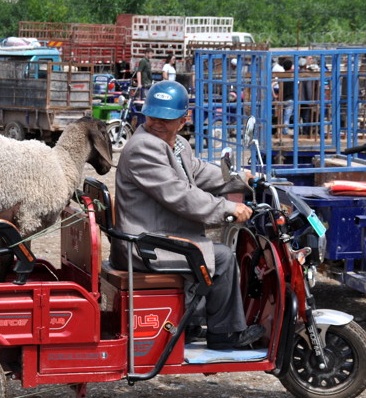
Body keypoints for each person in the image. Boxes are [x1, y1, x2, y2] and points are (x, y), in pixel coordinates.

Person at [110, 81, 265, 350]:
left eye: (166, 118)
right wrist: (228, 208)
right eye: (152, 116)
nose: (157, 123)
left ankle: (190, 323)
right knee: (224, 257)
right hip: (146, 245)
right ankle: (224, 334)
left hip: (160, 236)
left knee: (205, 250)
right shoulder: (143, 147)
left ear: (183, 120)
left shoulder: (177, 144)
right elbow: (180, 195)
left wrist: (241, 179)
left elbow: (200, 172)